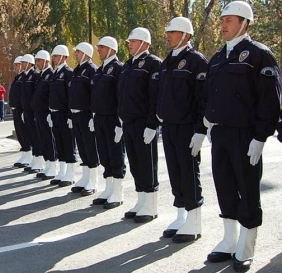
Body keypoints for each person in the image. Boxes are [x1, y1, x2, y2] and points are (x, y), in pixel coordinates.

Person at [203, 2, 281, 272]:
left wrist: (261, 137)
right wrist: (207, 123)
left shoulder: (260, 55)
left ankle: (246, 246)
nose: (223, 25)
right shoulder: (217, 58)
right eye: (222, 20)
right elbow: (209, 94)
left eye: (230, 20)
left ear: (245, 23)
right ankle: (229, 240)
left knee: (247, 190)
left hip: (245, 135)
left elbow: (270, 100)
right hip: (221, 133)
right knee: (224, 186)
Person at [156, 17, 208, 243]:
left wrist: (200, 130)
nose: (168, 35)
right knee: (175, 173)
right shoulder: (168, 60)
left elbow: (201, 98)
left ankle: (194, 221)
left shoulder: (196, 61)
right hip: (169, 126)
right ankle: (181, 216)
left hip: (187, 127)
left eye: (174, 32)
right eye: (168, 31)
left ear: (186, 35)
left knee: (188, 172)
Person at [117, 27, 161, 222]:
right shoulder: (128, 65)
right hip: (129, 121)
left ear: (144, 42)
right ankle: (141, 200)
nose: (130, 44)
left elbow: (155, 97)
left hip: (144, 123)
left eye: (133, 41)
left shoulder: (153, 64)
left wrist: (152, 124)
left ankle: (151, 205)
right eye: (129, 42)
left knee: (146, 163)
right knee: (135, 163)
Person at [90, 36, 126, 209]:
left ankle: (118, 192)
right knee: (104, 153)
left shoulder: (118, 68)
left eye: (102, 47)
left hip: (112, 118)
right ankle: (109, 188)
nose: (99, 50)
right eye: (98, 47)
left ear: (112, 49)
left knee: (115, 154)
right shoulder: (100, 70)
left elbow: (121, 96)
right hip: (100, 117)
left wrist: (120, 122)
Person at [68, 42, 100, 196]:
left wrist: (93, 115)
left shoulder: (91, 70)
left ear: (86, 53)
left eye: (78, 52)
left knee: (90, 147)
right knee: (82, 147)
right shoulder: (77, 70)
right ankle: (85, 177)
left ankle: (93, 181)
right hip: (75, 114)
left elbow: (95, 95)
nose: (76, 54)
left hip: (86, 114)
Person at [48, 45, 76, 187]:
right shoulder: (54, 73)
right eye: (53, 56)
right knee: (59, 143)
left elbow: (71, 96)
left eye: (57, 56)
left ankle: (70, 173)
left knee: (68, 143)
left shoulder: (68, 73)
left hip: (65, 114)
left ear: (64, 57)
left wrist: (71, 115)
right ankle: (62, 171)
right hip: (54, 113)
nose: (54, 58)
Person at [32, 50, 58, 179]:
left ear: (47, 61)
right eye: (36, 61)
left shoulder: (50, 74)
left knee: (49, 140)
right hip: (39, 112)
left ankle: (52, 166)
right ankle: (48, 165)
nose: (37, 63)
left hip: (46, 112)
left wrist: (49, 112)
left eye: (39, 60)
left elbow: (50, 95)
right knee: (43, 139)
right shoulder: (41, 75)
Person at [20, 54, 42, 172]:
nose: (22, 65)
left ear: (29, 63)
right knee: (31, 135)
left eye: (24, 62)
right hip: (27, 110)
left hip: (33, 110)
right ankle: (35, 157)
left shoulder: (35, 75)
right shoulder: (25, 76)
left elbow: (35, 95)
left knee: (36, 136)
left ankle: (39, 159)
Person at [9, 56, 32, 168]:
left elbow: (24, 95)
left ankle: (28, 154)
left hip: (21, 109)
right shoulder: (18, 77)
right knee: (20, 133)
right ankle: (24, 152)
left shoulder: (24, 77)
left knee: (25, 133)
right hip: (16, 109)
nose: (16, 67)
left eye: (17, 64)